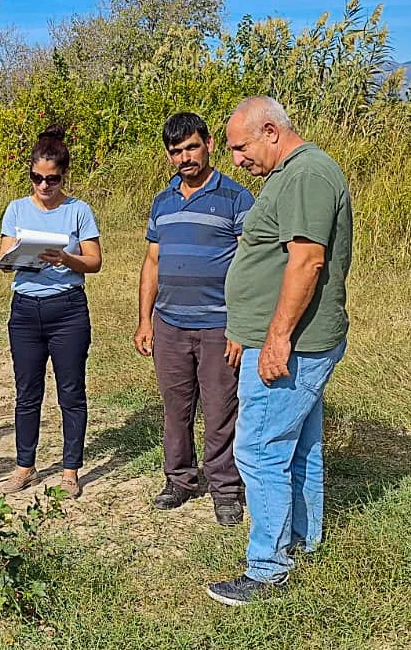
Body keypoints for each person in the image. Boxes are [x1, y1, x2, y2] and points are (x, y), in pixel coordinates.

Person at [206, 96, 353, 606]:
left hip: (296, 345)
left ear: (270, 130)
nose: (236, 159)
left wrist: (275, 339)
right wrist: (247, 324)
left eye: (240, 146)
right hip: (288, 339)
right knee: (298, 445)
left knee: (259, 449)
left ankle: (267, 570)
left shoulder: (307, 174)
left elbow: (308, 261)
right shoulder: (291, 174)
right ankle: (302, 541)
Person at [133, 112, 254, 526]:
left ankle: (224, 489)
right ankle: (180, 480)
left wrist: (240, 326)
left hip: (219, 325)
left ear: (208, 145)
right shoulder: (162, 202)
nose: (184, 157)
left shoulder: (238, 198)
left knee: (221, 409)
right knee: (176, 408)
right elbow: (152, 262)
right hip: (169, 324)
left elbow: (251, 266)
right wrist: (145, 320)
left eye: (191, 147)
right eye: (175, 152)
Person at [0, 125, 103, 499]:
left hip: (67, 310)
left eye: (52, 179)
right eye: (37, 178)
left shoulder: (79, 211)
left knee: (71, 391)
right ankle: (24, 465)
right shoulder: (16, 209)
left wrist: (66, 258)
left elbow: (94, 262)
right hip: (25, 310)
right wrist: (15, 260)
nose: (44, 186)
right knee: (27, 392)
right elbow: (5, 255)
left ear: (63, 176)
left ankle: (70, 469)